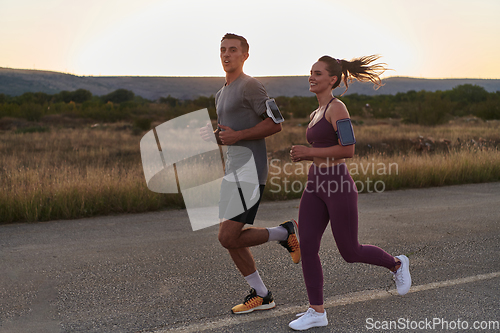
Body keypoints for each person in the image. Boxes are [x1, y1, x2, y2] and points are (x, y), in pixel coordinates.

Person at [288, 55, 411, 330]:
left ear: (332, 79)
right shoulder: (314, 113)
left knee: (350, 251)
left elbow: (348, 150)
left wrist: (308, 151)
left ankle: (397, 265)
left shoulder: (337, 108)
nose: (311, 77)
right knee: (307, 245)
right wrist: (307, 157)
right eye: (310, 72)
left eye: (317, 73)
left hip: (338, 186)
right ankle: (316, 311)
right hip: (314, 184)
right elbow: (322, 150)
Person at [208, 33, 301, 314]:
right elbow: (230, 135)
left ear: (245, 55)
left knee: (227, 237)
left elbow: (275, 124)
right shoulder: (220, 93)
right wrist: (219, 137)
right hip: (233, 172)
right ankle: (261, 294)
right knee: (231, 239)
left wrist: (239, 136)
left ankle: (284, 233)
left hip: (250, 172)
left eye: (233, 50)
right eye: (223, 50)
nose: (227, 55)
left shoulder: (251, 86)